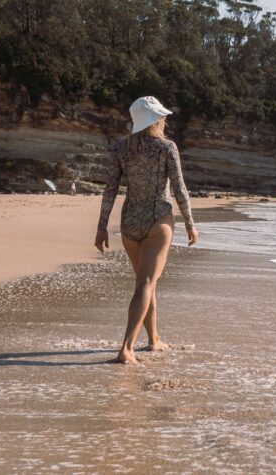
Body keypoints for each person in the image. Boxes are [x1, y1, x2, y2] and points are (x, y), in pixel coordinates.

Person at [94, 95, 199, 365]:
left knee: (146, 282)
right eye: (162, 117)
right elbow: (179, 188)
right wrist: (190, 222)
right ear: (155, 120)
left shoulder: (121, 148)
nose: (165, 121)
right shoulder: (167, 148)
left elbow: (111, 189)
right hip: (157, 221)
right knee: (146, 283)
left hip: (129, 223)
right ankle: (126, 347)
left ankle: (153, 339)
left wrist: (102, 226)